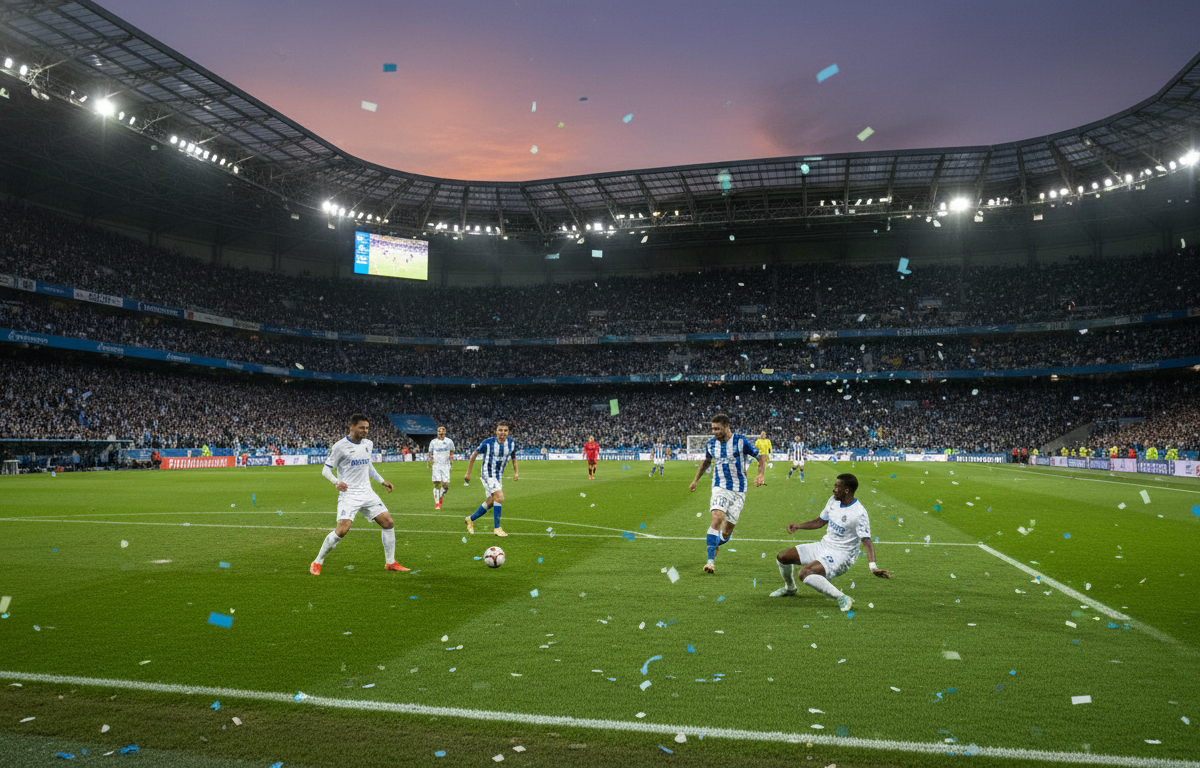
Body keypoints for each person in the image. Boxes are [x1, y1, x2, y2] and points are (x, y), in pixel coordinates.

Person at [769, 473, 891, 611]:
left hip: (841, 556)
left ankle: (842, 597)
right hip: (823, 546)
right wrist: (799, 525)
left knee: (805, 573)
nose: (834, 489)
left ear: (846, 490)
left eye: (837, 487)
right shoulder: (833, 501)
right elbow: (821, 521)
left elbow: (867, 541)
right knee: (783, 557)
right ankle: (790, 588)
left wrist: (872, 566)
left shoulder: (859, 513)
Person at [309, 414, 407, 575]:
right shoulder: (340, 446)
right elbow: (326, 469)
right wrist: (336, 482)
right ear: (352, 427)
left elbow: (368, 465)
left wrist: (382, 481)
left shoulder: (368, 444)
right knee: (342, 530)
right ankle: (317, 561)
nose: (365, 431)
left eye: (367, 428)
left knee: (388, 523)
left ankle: (390, 562)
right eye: (361, 427)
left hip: (367, 492)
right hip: (349, 494)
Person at [688, 414, 765, 575]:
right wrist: (695, 480)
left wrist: (761, 474)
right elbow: (707, 461)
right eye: (713, 429)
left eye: (718, 428)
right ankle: (710, 562)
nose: (715, 432)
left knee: (726, 532)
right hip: (720, 487)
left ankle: (716, 543)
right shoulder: (711, 444)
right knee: (717, 517)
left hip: (739, 490)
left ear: (727, 427)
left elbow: (761, 456)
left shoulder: (740, 442)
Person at [464, 422, 519, 537]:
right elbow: (474, 455)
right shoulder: (487, 443)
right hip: (487, 474)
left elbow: (514, 458)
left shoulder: (511, 443)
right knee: (499, 497)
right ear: (496, 431)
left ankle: (470, 519)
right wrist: (468, 473)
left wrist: (516, 472)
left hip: (498, 476)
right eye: (500, 430)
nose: (502, 433)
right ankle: (497, 528)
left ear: (508, 432)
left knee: (492, 501)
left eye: (505, 430)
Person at [427, 425, 454, 510]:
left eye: (442, 431)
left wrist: (450, 460)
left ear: (445, 432)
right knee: (436, 483)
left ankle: (441, 496)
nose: (441, 432)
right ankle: (437, 503)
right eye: (439, 431)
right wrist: (429, 462)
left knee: (445, 486)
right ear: (437, 432)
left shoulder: (449, 442)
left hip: (446, 465)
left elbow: (452, 451)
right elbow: (430, 453)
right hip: (436, 465)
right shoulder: (433, 442)